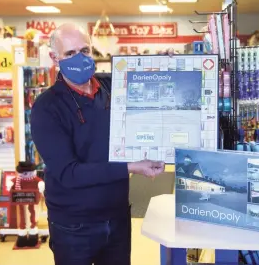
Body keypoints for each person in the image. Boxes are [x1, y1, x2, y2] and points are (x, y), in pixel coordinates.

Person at [30, 23, 166, 265]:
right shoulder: (46, 107)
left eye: (85, 50)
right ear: (54, 58)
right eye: (70, 53)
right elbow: (68, 173)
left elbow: (148, 82)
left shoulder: (111, 87)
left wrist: (168, 65)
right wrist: (130, 166)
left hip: (117, 217)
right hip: (73, 225)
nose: (80, 59)